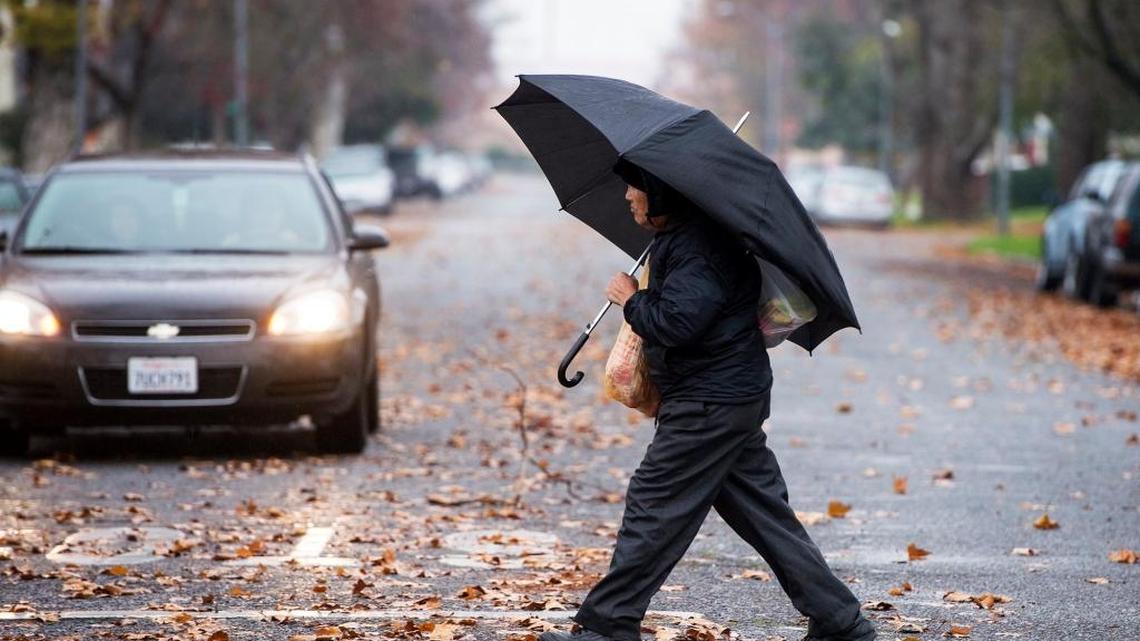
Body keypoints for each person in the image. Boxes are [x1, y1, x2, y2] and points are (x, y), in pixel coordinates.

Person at [539, 161, 876, 641]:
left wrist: (631, 299)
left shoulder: (700, 247)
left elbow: (678, 323)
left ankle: (608, 624)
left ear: (662, 191)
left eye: (636, 187)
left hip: (709, 403)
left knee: (654, 504)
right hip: (726, 397)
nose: (628, 196)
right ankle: (842, 623)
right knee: (763, 516)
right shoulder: (685, 237)